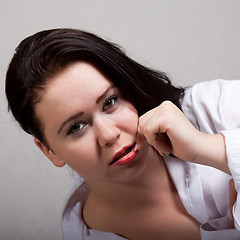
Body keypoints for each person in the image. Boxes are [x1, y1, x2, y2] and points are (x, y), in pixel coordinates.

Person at [5, 28, 240, 240]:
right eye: (76, 127)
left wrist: (211, 150)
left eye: (110, 101)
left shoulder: (211, 108)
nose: (108, 134)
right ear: (50, 151)